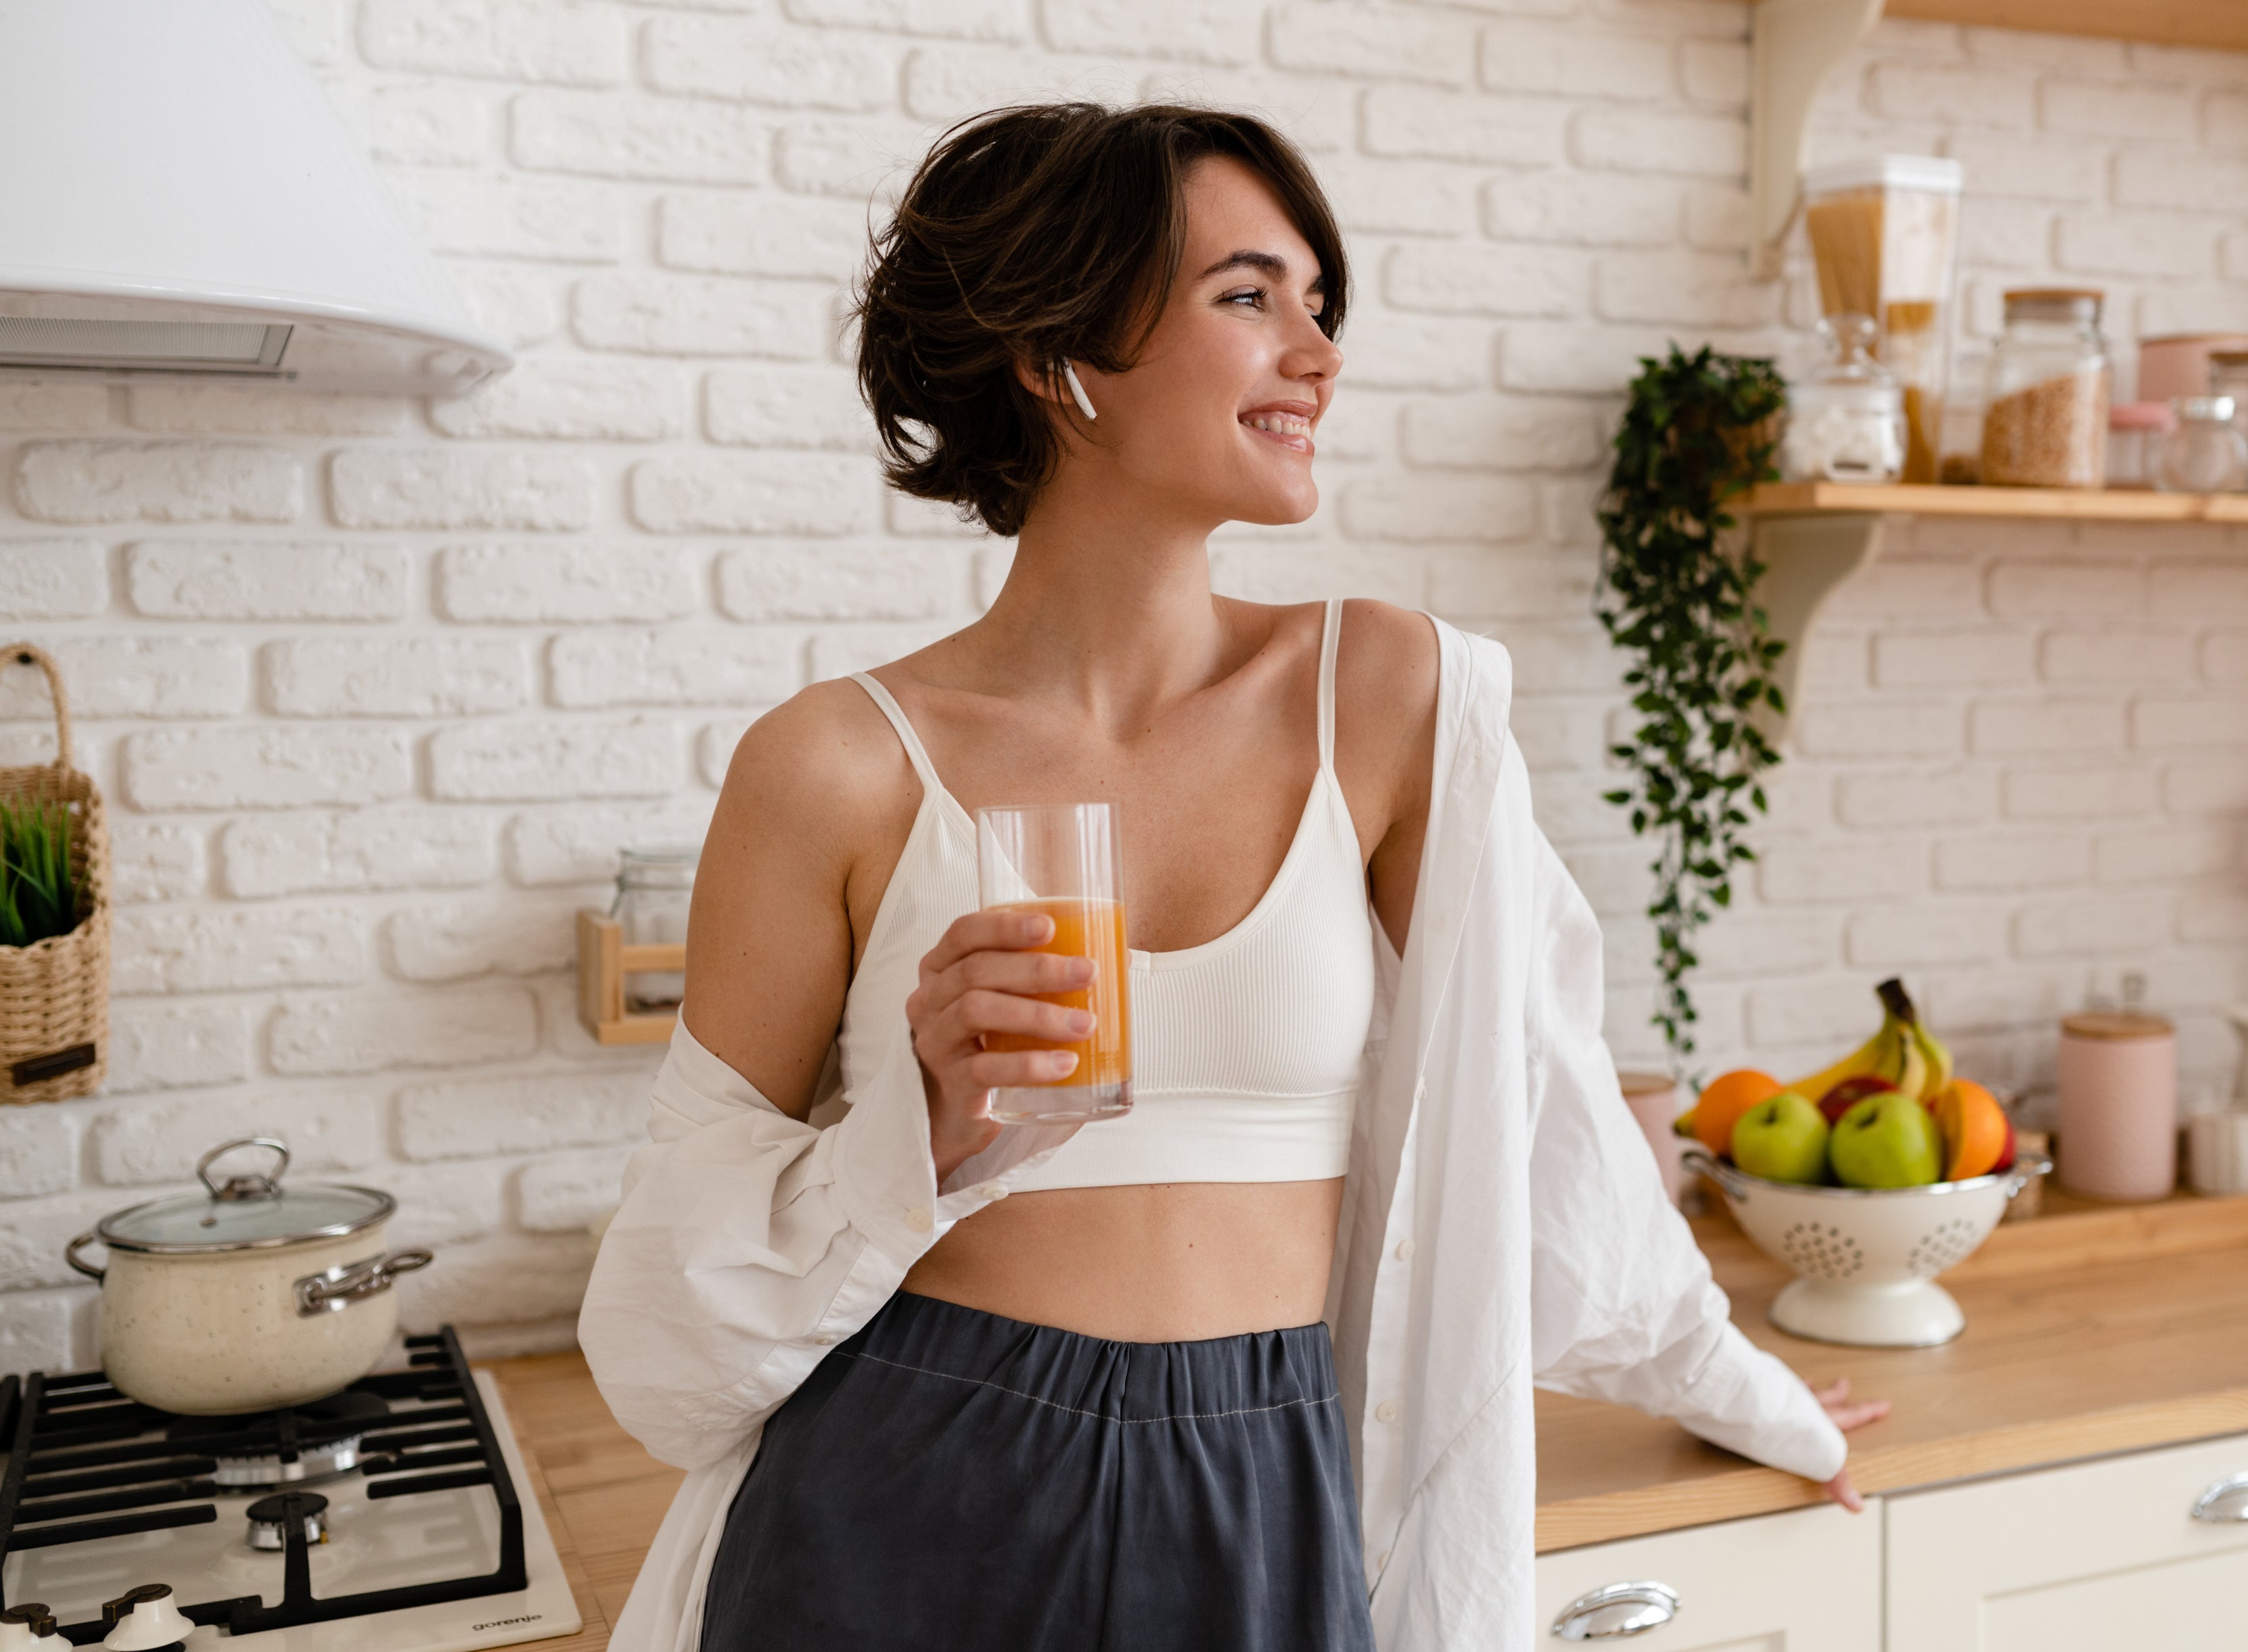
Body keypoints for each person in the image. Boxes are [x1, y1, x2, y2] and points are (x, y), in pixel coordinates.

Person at [577, 101, 1885, 1652]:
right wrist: (921, 1129)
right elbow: (666, 1304)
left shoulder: (1392, 693)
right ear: (1059, 354)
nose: (1319, 355)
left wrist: (1747, 1387)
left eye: (1319, 304)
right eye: (1249, 296)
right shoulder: (834, 764)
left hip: (1262, 1471)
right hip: (900, 1477)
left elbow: (1544, 1110)